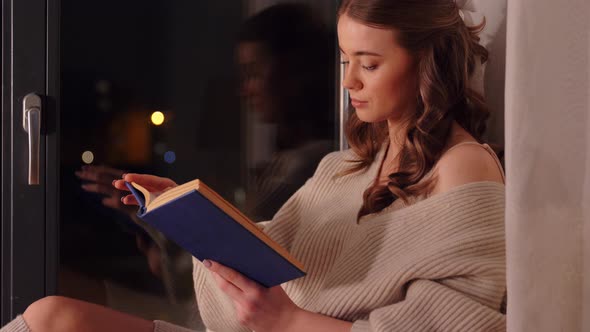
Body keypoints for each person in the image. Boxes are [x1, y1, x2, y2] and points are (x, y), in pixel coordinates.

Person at [1, 0, 507, 331]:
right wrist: (186, 212)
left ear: (427, 64)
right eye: (344, 60)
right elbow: (271, 252)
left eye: (369, 64)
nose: (349, 81)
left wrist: (288, 321)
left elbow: (456, 323)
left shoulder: (464, 168)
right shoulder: (347, 165)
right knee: (51, 315)